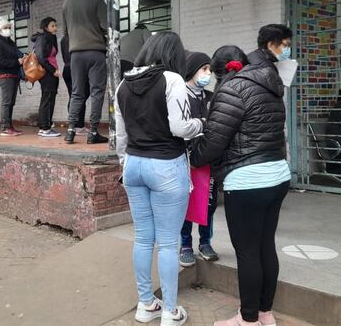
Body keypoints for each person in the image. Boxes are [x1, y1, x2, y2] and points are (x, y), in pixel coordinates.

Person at [191, 24, 293, 326]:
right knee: (265, 246)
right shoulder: (270, 84)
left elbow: (213, 142)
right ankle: (265, 313)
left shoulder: (231, 89)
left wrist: (194, 156)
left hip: (247, 180)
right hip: (277, 174)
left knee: (247, 253)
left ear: (220, 71)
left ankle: (247, 320)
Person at [115, 32, 203, 326]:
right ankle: (170, 311)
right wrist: (200, 124)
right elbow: (180, 128)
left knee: (142, 237)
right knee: (167, 243)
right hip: (166, 165)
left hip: (134, 165)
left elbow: (121, 137)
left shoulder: (122, 84)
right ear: (173, 54)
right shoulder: (172, 80)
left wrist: (125, 164)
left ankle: (145, 305)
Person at [179, 51, 219, 267]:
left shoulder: (211, 97)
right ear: (192, 70)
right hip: (185, 159)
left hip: (208, 158)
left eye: (210, 70)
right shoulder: (179, 95)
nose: (208, 74)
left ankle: (205, 242)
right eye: (204, 69)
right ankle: (185, 244)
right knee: (186, 204)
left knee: (208, 203)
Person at [63, 0, 109, 145]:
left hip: (76, 55)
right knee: (97, 92)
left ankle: (70, 132)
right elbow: (106, 27)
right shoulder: (98, 2)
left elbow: (66, 33)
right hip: (95, 52)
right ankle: (93, 132)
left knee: (77, 93)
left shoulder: (67, 3)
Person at [0, 19, 23, 136]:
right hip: (5, 76)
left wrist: (24, 57)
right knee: (7, 101)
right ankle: (5, 127)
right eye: (5, 28)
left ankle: (9, 125)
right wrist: (17, 62)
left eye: (9, 27)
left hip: (14, 75)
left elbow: (18, 54)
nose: (8, 30)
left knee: (11, 102)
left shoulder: (10, 42)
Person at [34, 17, 61, 137]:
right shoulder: (43, 38)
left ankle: (47, 127)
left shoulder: (50, 38)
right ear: (46, 27)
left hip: (52, 73)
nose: (55, 28)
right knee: (47, 98)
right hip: (47, 73)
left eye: (55, 25)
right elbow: (40, 57)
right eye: (52, 26)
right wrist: (52, 70)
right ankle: (44, 128)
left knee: (51, 98)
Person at [60, 34, 88, 135]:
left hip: (67, 68)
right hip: (75, 68)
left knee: (74, 96)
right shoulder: (75, 36)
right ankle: (78, 125)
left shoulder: (64, 39)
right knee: (79, 96)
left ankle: (75, 124)